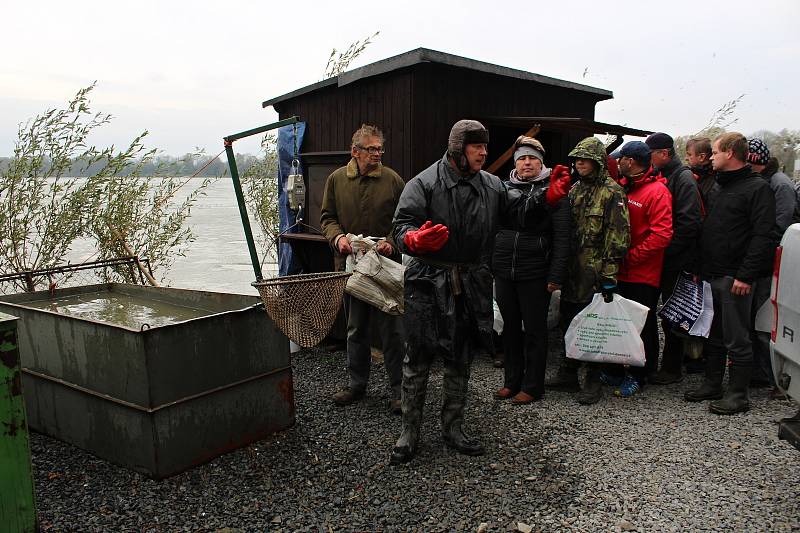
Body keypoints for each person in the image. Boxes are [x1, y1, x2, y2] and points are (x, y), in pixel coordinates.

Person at [388, 120, 570, 464]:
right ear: (458, 148)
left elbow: (518, 213)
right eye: (477, 147)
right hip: (427, 280)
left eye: (486, 147)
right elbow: (401, 225)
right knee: (418, 358)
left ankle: (453, 428)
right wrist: (413, 240)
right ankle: (409, 431)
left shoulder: (492, 186)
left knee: (461, 358)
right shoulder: (423, 183)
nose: (484, 152)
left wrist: (547, 199)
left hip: (471, 282)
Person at [684, 132, 776, 415]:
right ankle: (713, 383)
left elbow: (763, 236)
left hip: (736, 277)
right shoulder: (719, 187)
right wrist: (700, 267)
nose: (711, 157)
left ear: (730, 154)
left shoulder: (757, 189)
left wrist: (745, 276)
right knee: (714, 332)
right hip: (714, 273)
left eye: (714, 152)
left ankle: (738, 394)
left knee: (737, 336)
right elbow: (709, 229)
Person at [320, 124, 406, 414]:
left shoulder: (393, 180)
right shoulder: (336, 180)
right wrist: (338, 238)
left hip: (385, 267)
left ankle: (399, 391)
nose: (377, 154)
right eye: (371, 149)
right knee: (356, 328)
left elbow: (405, 221)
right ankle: (357, 384)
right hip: (352, 267)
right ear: (355, 151)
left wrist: (392, 244)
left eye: (380, 149)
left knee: (392, 330)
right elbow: (327, 217)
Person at [544, 137, 630, 406]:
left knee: (594, 325)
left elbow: (618, 236)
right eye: (576, 159)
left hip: (595, 271)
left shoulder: (612, 192)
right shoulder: (575, 189)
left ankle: (593, 380)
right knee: (569, 321)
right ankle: (568, 373)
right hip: (571, 269)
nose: (579, 163)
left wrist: (609, 275)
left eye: (584, 159)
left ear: (597, 161)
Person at [492, 136, 570, 404]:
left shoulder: (555, 191)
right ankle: (511, 381)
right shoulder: (502, 189)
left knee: (535, 330)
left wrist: (556, 275)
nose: (527, 163)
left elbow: (562, 237)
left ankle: (533, 385)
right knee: (510, 328)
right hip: (504, 271)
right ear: (516, 163)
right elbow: (493, 228)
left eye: (532, 159)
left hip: (536, 272)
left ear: (541, 163)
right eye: (522, 158)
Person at [605, 141, 672, 396]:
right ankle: (615, 370)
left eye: (620, 158)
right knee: (619, 322)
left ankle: (641, 374)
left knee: (642, 326)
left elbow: (662, 235)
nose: (617, 162)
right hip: (621, 271)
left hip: (643, 274)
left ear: (630, 161)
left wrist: (632, 257)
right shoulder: (625, 186)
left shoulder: (657, 192)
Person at [645, 132, 702, 385]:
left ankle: (671, 368)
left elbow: (690, 224)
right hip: (664, 259)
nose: (648, 160)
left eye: (651, 155)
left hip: (675, 261)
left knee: (672, 316)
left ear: (665, 154)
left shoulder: (683, 178)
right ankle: (657, 363)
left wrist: (663, 250)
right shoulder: (663, 175)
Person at [746, 139, 797, 388]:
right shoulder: (764, 182)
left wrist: (758, 252)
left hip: (771, 263)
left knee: (765, 322)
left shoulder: (780, 185)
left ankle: (769, 375)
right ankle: (759, 370)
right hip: (761, 262)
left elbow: (780, 226)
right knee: (755, 319)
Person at [685, 137, 717, 210]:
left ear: (702, 157)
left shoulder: (716, 180)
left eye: (689, 155)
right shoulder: (689, 175)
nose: (686, 158)